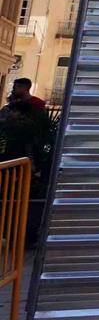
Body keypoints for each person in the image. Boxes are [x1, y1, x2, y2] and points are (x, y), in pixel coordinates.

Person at [0, 78, 54, 245]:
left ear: (26, 87)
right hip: (10, 155)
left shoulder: (36, 105)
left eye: (18, 86)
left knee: (23, 192)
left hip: (27, 157)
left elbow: (41, 130)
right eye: (15, 86)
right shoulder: (9, 107)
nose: (15, 89)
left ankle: (22, 233)